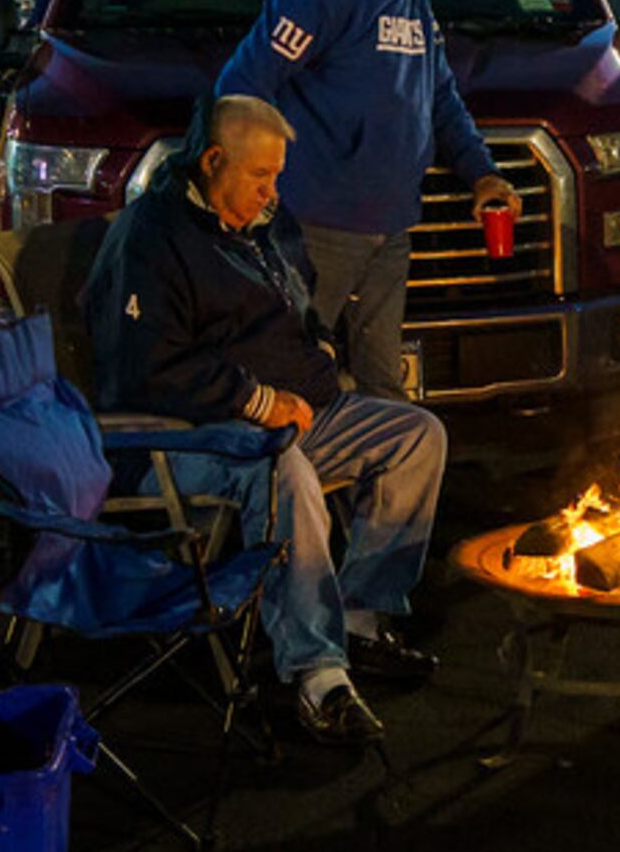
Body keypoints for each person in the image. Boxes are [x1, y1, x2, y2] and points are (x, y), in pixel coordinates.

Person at [82, 94, 446, 746]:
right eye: (259, 176)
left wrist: (322, 355)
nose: (271, 192)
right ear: (213, 160)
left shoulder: (267, 225)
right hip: (195, 437)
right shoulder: (151, 236)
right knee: (286, 470)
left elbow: (305, 306)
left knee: (416, 436)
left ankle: (361, 618)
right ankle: (318, 675)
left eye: (277, 176)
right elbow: (142, 370)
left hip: (299, 413)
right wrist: (256, 402)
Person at [216, 0, 519, 400]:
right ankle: (283, 482)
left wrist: (484, 175)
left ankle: (379, 479)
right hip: (316, 229)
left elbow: (440, 99)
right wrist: (250, 188)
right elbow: (244, 87)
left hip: (390, 228)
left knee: (383, 384)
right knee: (291, 375)